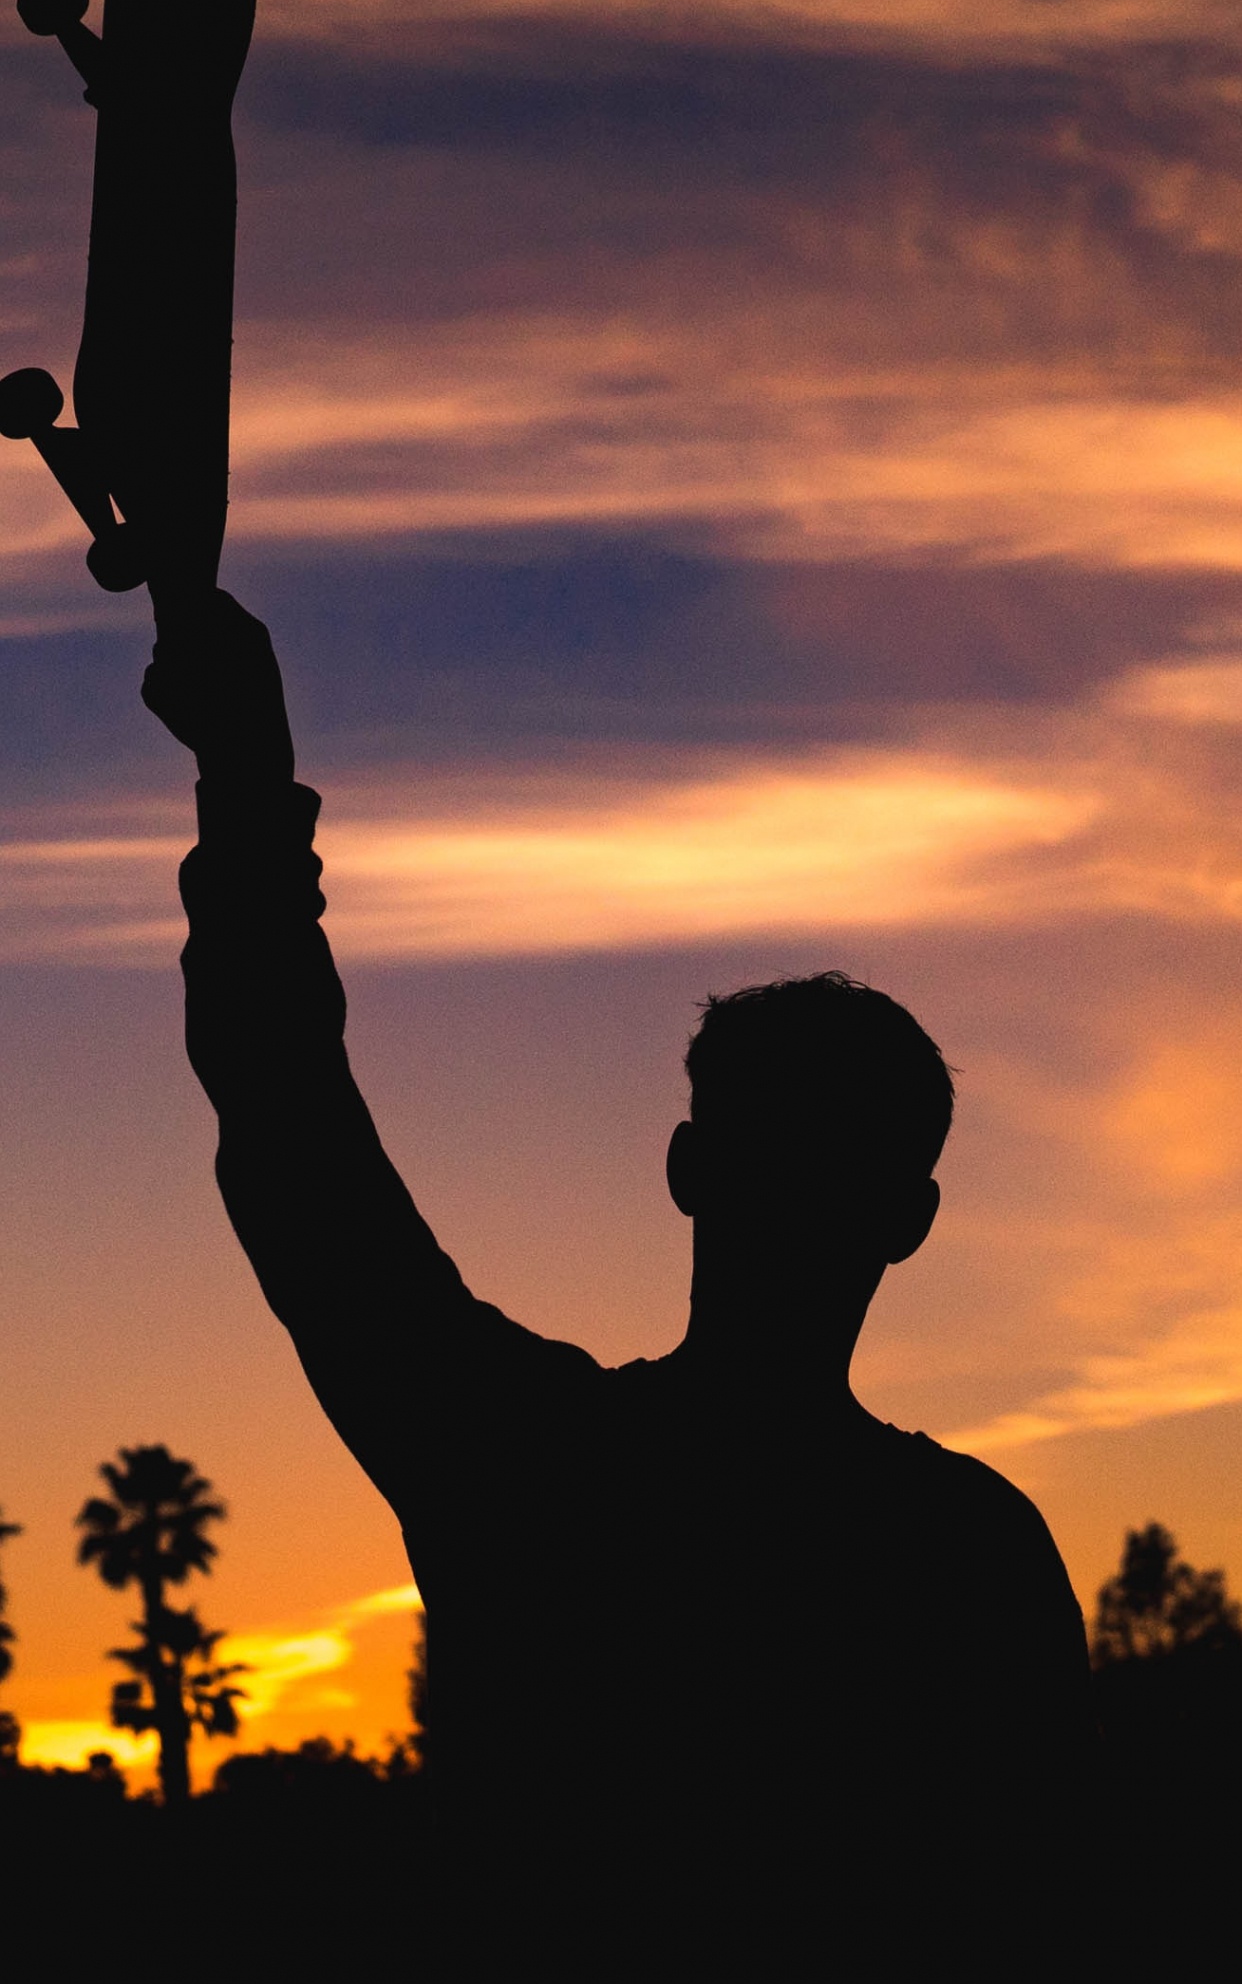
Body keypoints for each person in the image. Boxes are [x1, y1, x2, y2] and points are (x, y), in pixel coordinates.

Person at [144, 590, 1098, 1969]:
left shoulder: (531, 1465)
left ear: (685, 1171)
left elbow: (291, 1138)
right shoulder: (974, 1551)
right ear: (910, 1220)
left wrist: (243, 776)